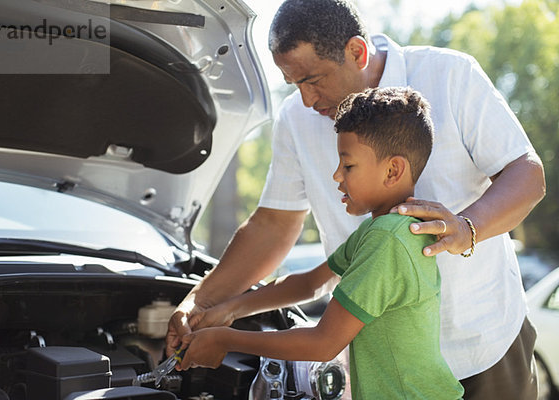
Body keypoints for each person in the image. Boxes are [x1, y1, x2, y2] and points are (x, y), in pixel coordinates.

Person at [168, 0, 545, 398]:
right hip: (382, 375)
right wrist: (208, 304)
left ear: (357, 52)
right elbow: (275, 229)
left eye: (313, 80)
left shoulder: (451, 75)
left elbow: (527, 174)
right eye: (293, 83)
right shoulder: (298, 121)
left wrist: (468, 227)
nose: (307, 100)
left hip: (485, 346)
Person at [179, 87, 465, 399]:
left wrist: (225, 339)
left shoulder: (389, 238)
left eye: (348, 165)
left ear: (392, 170)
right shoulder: (382, 229)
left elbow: (324, 343)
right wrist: (232, 309)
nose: (336, 176)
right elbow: (312, 284)